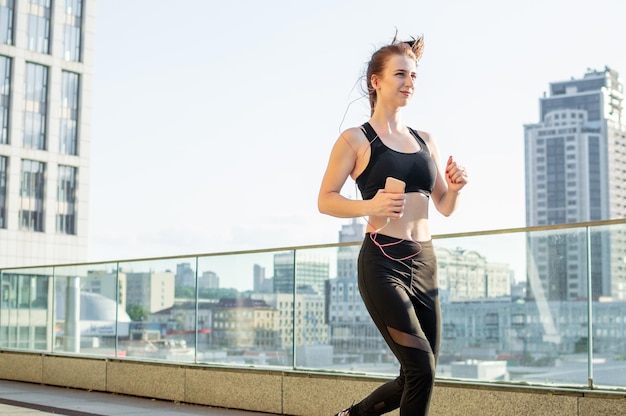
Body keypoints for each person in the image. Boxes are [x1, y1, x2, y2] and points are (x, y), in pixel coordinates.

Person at [318, 33, 468, 416]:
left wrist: (455, 188)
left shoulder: (425, 140)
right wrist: (371, 203)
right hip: (383, 264)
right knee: (421, 367)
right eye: (400, 74)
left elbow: (444, 206)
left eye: (414, 76)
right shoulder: (356, 140)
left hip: (425, 264)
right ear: (376, 81)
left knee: (417, 373)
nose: (409, 83)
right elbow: (325, 200)